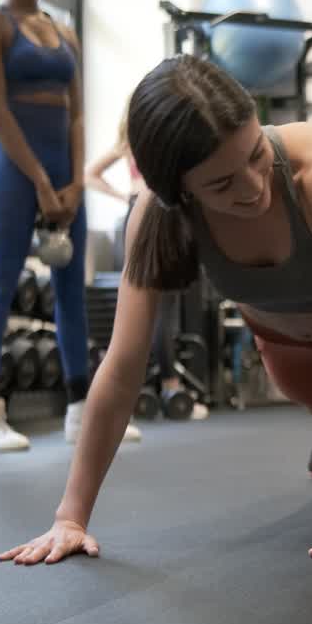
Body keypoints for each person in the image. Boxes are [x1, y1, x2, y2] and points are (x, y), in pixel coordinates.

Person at [0, 55, 312, 567]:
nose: (252, 187)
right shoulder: (156, 219)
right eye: (222, 184)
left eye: (254, 156)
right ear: (179, 191)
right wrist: (70, 518)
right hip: (286, 336)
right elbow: (122, 366)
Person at [0, 0, 140, 450]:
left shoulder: (66, 33)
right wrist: (42, 183)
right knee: (1, 280)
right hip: (13, 171)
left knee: (70, 290)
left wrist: (73, 180)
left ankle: (80, 408)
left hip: (65, 173)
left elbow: (80, 113)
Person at [85, 110, 205, 420]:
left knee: (137, 307)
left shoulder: (127, 141)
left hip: (133, 213)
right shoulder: (158, 135)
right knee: (162, 309)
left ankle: (131, 389)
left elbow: (90, 174)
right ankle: (170, 386)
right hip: (159, 212)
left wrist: (124, 196)